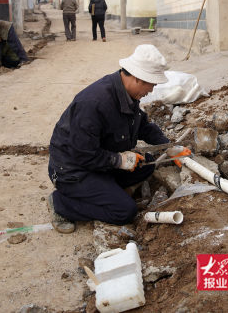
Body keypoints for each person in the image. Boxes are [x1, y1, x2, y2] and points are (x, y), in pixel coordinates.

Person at [46, 44, 171, 233]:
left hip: (98, 164)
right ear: (138, 78)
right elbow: (82, 154)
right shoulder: (94, 103)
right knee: (124, 211)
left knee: (147, 164)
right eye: (151, 84)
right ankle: (61, 204)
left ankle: (105, 191)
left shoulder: (126, 94)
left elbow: (143, 126)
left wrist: (168, 146)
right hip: (73, 172)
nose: (151, 91)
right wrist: (119, 160)